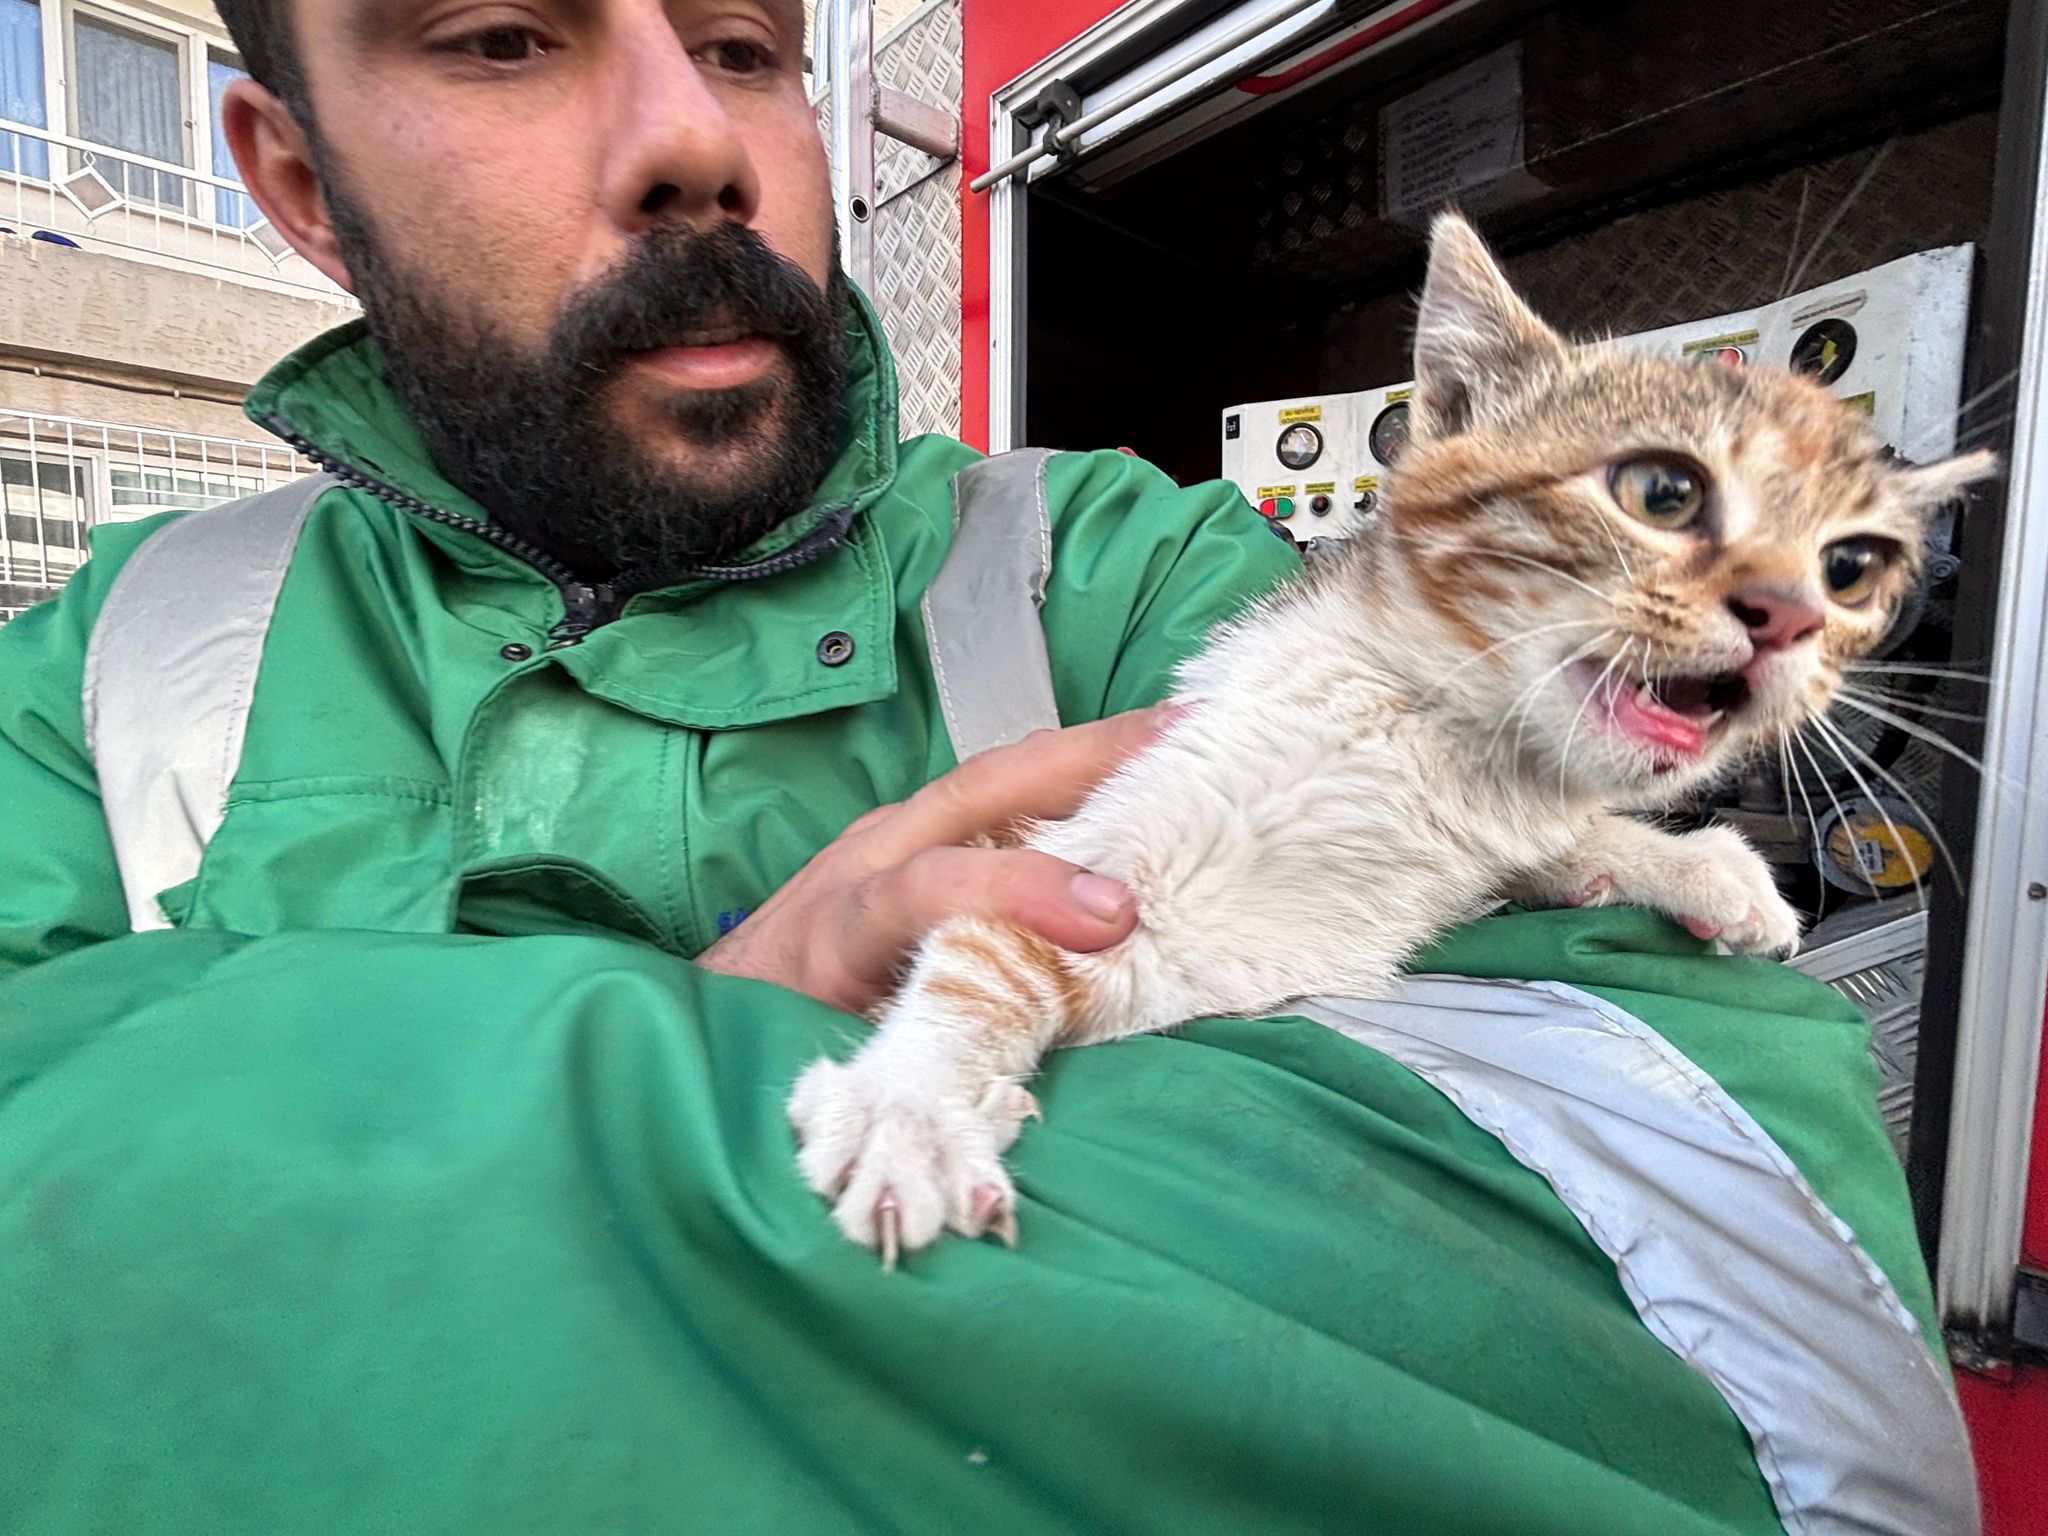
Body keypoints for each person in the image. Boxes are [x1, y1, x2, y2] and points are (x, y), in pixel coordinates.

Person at [0, 3, 1975, 1532]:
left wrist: (270, 1204)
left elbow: (1698, 1234)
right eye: (503, 35)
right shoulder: (119, 659)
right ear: (296, 173)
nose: (694, 138)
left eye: (751, 44)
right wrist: (734, 1033)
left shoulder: (1104, 562)